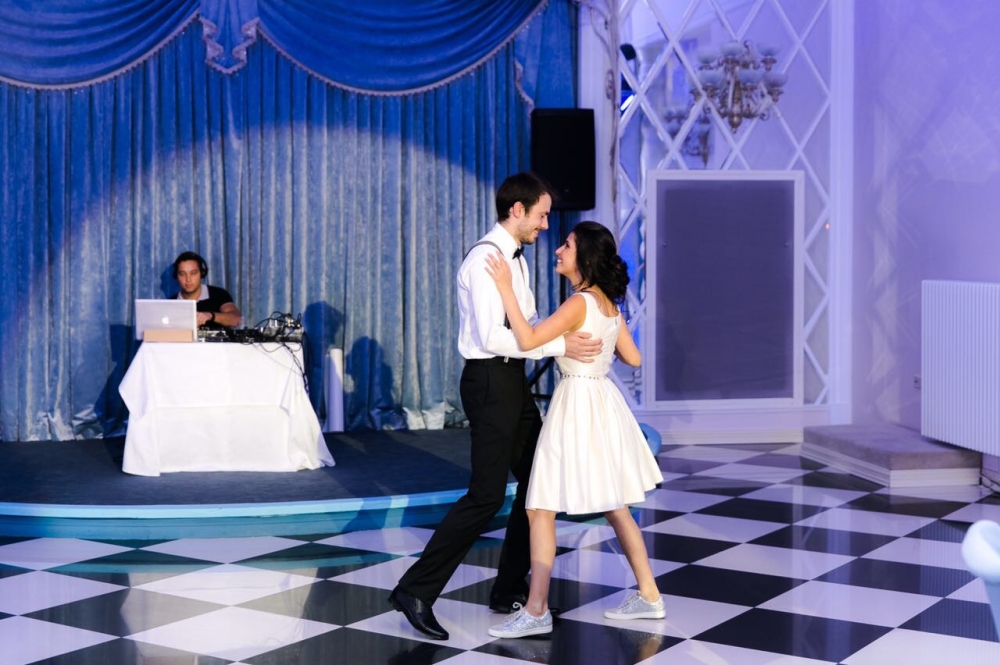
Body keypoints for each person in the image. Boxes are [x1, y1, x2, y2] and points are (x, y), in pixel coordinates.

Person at [388, 173, 603, 641]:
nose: (545, 225)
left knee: (538, 481)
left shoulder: (514, 260)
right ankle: (415, 591)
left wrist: (563, 335)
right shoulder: (485, 259)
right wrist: (558, 345)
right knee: (485, 496)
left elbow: (527, 323)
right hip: (489, 379)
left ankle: (508, 589)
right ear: (518, 210)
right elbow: (491, 337)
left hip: (510, 379)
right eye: (541, 215)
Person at [484, 220, 665, 639]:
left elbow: (528, 340)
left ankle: (536, 610)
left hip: (576, 404)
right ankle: (650, 595)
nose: (559, 250)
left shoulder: (579, 302)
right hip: (602, 401)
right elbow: (634, 359)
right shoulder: (607, 305)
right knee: (616, 506)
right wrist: (602, 342)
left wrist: (506, 288)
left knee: (540, 507)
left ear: (584, 256)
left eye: (566, 245)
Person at [172, 251, 242, 329]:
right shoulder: (171, 303)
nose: (188, 279)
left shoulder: (219, 294)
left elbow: (236, 319)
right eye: (182, 274)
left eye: (193, 273)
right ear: (176, 276)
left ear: (202, 274)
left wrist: (210, 315)